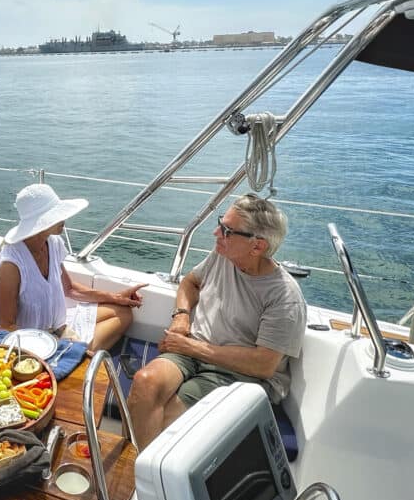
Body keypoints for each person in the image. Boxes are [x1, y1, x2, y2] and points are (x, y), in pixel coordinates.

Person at [126, 193, 306, 450]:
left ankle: (148, 479)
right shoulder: (224, 256)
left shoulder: (285, 297)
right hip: (192, 351)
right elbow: (190, 282)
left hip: (239, 375)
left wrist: (188, 346)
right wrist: (181, 318)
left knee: (166, 422)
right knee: (144, 383)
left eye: (227, 230)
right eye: (221, 223)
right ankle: (140, 471)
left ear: (257, 247)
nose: (216, 233)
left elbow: (263, 365)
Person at [0, 183, 145, 356]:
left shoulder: (53, 243)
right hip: (31, 341)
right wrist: (46, 347)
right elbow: (7, 326)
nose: (64, 219)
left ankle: (80, 353)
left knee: (124, 313)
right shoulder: (11, 265)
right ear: (40, 222)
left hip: (59, 326)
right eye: (57, 215)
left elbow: (69, 289)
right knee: (82, 352)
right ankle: (77, 355)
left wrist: (116, 297)